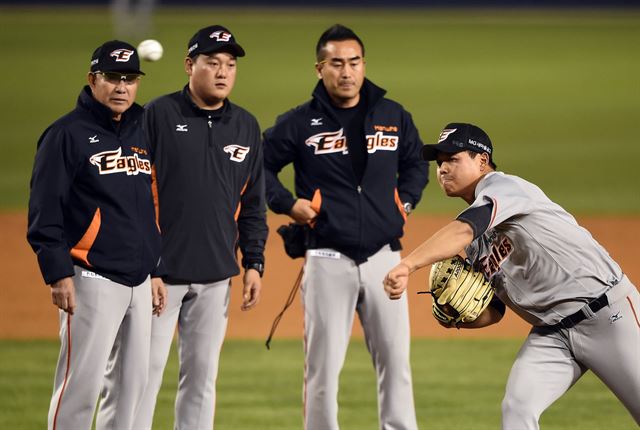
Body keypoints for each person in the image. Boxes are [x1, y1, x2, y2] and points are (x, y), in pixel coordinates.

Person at [384, 123, 640, 429]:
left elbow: (465, 228)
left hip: (608, 317)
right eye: (440, 163)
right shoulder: (478, 245)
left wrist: (407, 265)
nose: (443, 169)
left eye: (453, 158)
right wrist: (453, 315)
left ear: (482, 160)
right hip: (553, 335)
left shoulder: (504, 188)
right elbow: (494, 311)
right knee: (517, 408)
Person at [263, 24, 428, 429]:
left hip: (385, 259)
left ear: (363, 65)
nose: (347, 71)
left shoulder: (393, 115)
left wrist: (401, 205)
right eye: (336, 63)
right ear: (320, 69)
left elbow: (415, 164)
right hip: (326, 258)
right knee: (321, 369)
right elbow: (258, 166)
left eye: (354, 62)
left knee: (396, 365)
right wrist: (287, 204)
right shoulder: (300, 123)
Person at [133, 25, 268, 430]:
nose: (223, 72)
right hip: (160, 276)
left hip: (215, 277)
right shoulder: (157, 115)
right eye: (213, 63)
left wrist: (254, 261)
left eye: (230, 64)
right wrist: (149, 266)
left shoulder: (246, 125)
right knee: (138, 376)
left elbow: (252, 203)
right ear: (190, 66)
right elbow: (135, 195)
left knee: (201, 382)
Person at [26, 40, 166, 430]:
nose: (122, 87)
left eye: (130, 79)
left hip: (139, 281)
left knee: (130, 392)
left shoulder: (140, 132)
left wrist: (155, 269)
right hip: (91, 277)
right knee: (80, 389)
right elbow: (45, 210)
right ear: (93, 79)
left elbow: (148, 205)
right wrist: (57, 273)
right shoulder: (65, 135)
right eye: (112, 78)